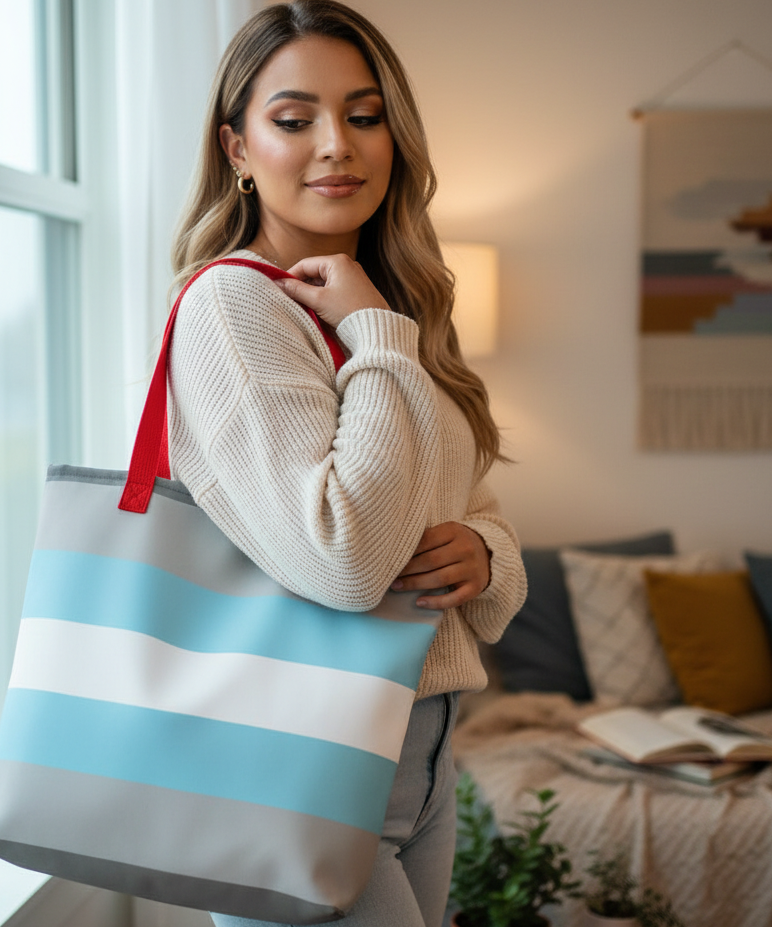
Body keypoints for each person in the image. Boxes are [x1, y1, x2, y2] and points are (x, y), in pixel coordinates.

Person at [166, 2, 526, 925]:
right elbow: (346, 559)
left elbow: (468, 500)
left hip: (424, 738)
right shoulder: (236, 310)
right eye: (293, 120)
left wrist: (486, 555)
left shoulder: (394, 313)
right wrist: (372, 331)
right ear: (237, 147)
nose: (337, 145)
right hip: (300, 752)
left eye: (364, 116)